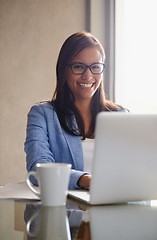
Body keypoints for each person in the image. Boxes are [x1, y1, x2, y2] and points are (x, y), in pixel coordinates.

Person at [24, 32, 127, 190]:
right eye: (78, 67)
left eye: (95, 67)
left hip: (114, 207)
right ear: (63, 70)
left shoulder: (121, 116)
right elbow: (38, 168)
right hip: (64, 211)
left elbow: (134, 169)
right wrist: (87, 181)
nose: (88, 76)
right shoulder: (42, 115)